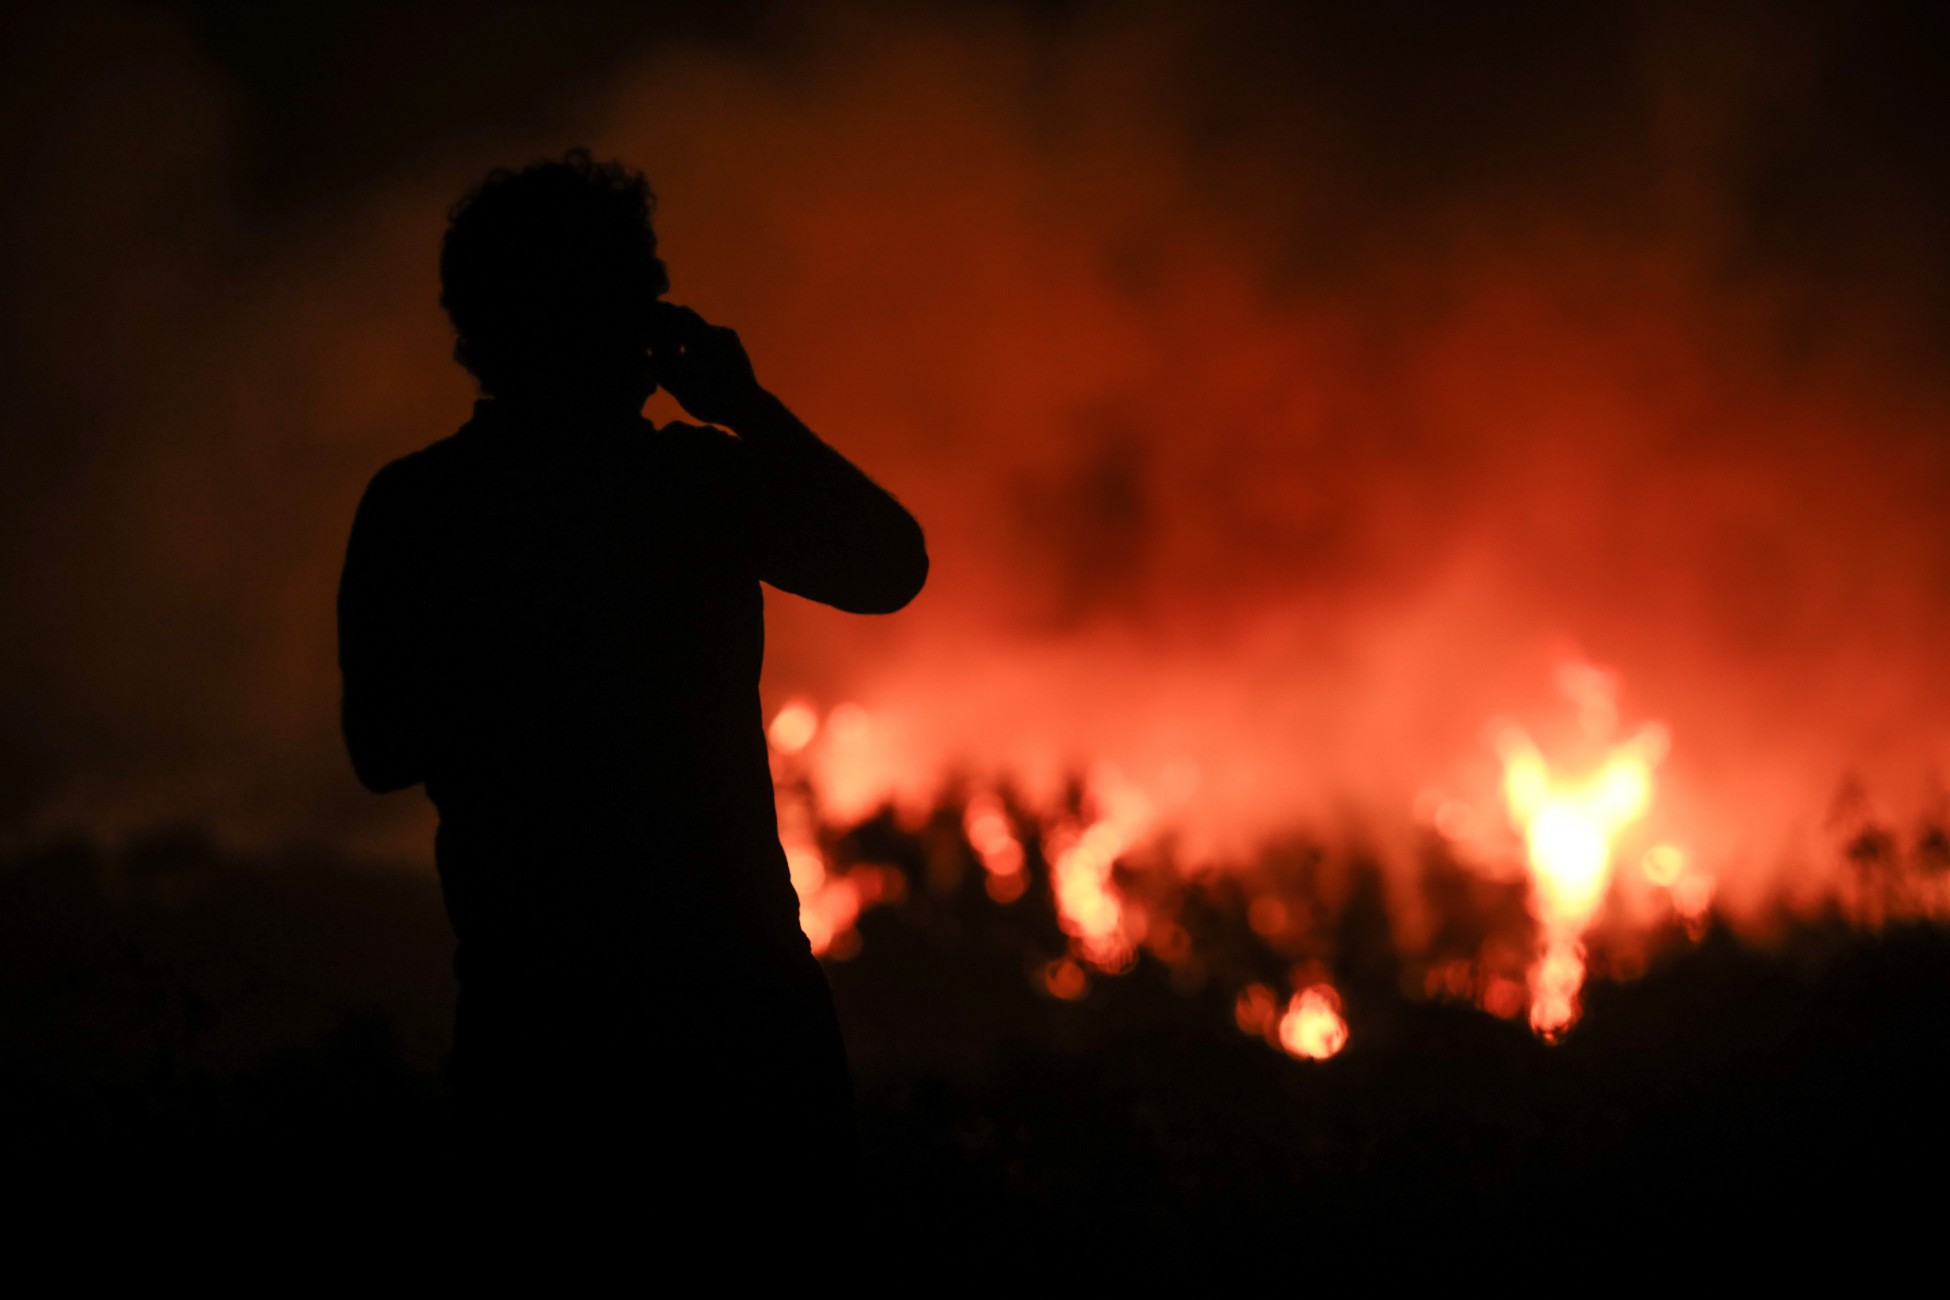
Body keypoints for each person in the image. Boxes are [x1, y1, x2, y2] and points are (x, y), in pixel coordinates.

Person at [335, 151, 927, 1215]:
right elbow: (887, 564)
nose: (653, 316)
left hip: (540, 1025)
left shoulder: (421, 505)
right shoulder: (687, 489)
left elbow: (381, 747)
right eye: (636, 289)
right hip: (729, 1014)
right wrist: (750, 408)